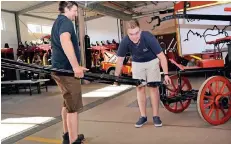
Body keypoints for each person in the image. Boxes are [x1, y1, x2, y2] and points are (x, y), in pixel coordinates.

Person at [114, 19, 171, 128]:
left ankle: (156, 116)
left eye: (137, 33)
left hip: (152, 62)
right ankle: (143, 116)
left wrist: (167, 74)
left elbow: (162, 57)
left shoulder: (148, 37)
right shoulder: (125, 41)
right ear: (127, 33)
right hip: (137, 63)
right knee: (140, 88)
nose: (134, 36)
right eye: (131, 34)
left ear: (140, 30)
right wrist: (116, 77)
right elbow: (120, 60)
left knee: (153, 88)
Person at [51, 1, 89, 144]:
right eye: (74, 10)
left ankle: (67, 135)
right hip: (66, 72)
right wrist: (75, 67)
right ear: (66, 9)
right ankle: (73, 141)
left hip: (59, 70)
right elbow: (65, 41)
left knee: (66, 104)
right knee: (73, 107)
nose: (75, 14)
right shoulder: (66, 22)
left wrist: (77, 66)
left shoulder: (57, 22)